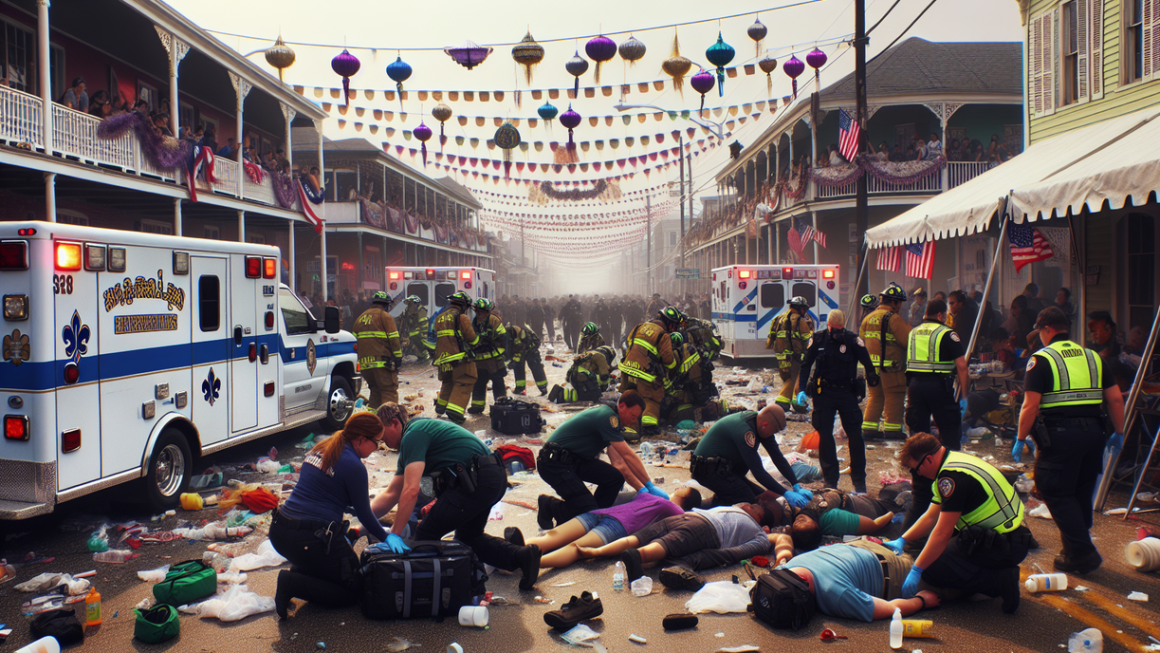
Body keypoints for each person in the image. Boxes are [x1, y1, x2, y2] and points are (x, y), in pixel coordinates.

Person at [371, 404, 542, 590]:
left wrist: (394, 534)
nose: (380, 440)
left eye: (381, 431)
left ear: (395, 423)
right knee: (468, 537)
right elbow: (392, 493)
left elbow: (410, 491)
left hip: (476, 481)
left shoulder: (413, 435)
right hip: (490, 477)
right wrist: (362, 524)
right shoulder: (417, 432)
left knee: (426, 535)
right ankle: (523, 556)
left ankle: (428, 590)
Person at [1014, 307, 1124, 574]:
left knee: (1055, 490)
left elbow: (1030, 407)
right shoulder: (1093, 357)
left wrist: (1020, 438)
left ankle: (1084, 554)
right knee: (1079, 492)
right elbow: (1116, 398)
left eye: (1039, 332)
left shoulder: (1041, 359)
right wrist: (1119, 433)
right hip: (1094, 435)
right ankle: (1072, 552)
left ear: (1047, 330)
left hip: (1061, 437)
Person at [883, 433, 1031, 614]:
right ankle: (989, 574)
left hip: (1003, 545)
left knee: (932, 568)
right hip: (1011, 536)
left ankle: (999, 581)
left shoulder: (951, 478)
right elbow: (930, 516)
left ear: (928, 459)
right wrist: (903, 539)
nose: (917, 474)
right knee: (931, 552)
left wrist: (917, 569)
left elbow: (942, 532)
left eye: (916, 469)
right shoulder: (954, 461)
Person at [271, 413, 390, 619]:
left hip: (280, 531)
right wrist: (389, 538)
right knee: (354, 588)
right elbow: (365, 514)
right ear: (361, 439)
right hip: (309, 539)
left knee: (337, 562)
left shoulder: (321, 448)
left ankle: (302, 570)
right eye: (377, 443)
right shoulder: (354, 466)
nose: (377, 448)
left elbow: (329, 493)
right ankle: (292, 583)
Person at [574, 503, 786, 581]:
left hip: (687, 515)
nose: (747, 505)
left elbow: (737, 551)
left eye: (753, 506)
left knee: (638, 538)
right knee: (663, 546)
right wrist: (697, 560)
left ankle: (598, 551)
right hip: (703, 530)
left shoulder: (732, 510)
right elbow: (735, 553)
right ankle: (638, 556)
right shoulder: (757, 534)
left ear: (759, 518)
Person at [536, 393, 655, 530]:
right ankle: (551, 506)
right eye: (633, 416)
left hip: (574, 461)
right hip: (553, 463)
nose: (633, 421)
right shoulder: (607, 417)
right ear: (622, 406)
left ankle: (596, 518)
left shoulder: (611, 423)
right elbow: (628, 455)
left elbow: (619, 465)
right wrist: (648, 485)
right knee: (586, 510)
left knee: (614, 478)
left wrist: (643, 490)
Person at [514, 486, 701, 569]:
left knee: (576, 549)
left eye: (685, 487)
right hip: (601, 514)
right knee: (550, 538)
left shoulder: (677, 511)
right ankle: (512, 551)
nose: (681, 486)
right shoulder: (657, 496)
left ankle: (528, 562)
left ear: (687, 498)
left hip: (619, 526)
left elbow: (695, 519)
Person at [798, 310, 880, 493]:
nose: (837, 333)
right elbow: (805, 366)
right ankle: (830, 481)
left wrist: (872, 377)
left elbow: (868, 363)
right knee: (825, 436)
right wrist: (801, 389)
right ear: (828, 325)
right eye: (834, 329)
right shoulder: (818, 340)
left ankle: (859, 482)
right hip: (824, 393)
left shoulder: (852, 340)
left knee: (855, 436)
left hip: (847, 392)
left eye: (840, 329)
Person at [777, 538, 940, 623]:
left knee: (948, 589)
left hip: (890, 567)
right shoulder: (785, 569)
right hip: (858, 545)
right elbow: (783, 543)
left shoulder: (836, 593)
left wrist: (922, 601)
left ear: (805, 580)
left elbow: (892, 608)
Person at [691, 404, 811, 506]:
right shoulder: (745, 431)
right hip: (707, 471)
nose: (772, 435)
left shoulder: (759, 424)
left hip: (724, 469)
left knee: (759, 497)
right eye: (773, 432)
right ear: (765, 424)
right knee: (747, 501)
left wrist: (795, 484)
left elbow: (778, 457)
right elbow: (758, 471)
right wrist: (785, 493)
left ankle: (721, 499)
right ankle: (703, 509)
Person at [905, 298, 969, 451]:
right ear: (940, 315)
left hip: (915, 387)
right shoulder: (948, 334)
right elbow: (962, 366)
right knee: (949, 432)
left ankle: (921, 468)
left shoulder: (913, 332)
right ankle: (948, 467)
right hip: (939, 388)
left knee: (918, 436)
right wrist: (964, 396)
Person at [861, 284, 912, 441]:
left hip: (871, 369)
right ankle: (893, 430)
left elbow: (862, 341)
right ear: (895, 302)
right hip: (892, 368)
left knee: (875, 397)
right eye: (900, 303)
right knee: (894, 396)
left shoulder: (868, 318)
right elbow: (907, 341)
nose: (900, 307)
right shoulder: (894, 318)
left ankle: (868, 429)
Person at [620, 307, 682, 435]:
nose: (674, 329)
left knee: (631, 399)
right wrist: (676, 363)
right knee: (651, 401)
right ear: (669, 323)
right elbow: (668, 361)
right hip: (646, 374)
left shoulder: (639, 327)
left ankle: (628, 427)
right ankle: (649, 429)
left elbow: (628, 344)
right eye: (674, 326)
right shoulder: (663, 335)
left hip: (627, 372)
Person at [432, 291, 479, 424]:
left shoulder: (439, 317)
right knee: (466, 379)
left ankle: (441, 406)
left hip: (442, 358)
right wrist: (478, 342)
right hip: (458, 357)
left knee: (448, 381)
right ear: (463, 305)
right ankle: (455, 411)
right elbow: (471, 338)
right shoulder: (461, 317)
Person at [352, 291, 402, 408]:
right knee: (389, 390)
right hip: (382, 364)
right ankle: (389, 420)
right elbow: (394, 340)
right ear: (386, 305)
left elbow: (353, 341)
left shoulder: (360, 318)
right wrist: (398, 358)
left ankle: (372, 420)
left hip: (365, 366)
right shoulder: (385, 317)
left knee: (375, 391)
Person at [766, 297, 814, 413]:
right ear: (800, 308)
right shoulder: (800, 320)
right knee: (795, 379)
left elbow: (769, 341)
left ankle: (787, 402)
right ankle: (792, 403)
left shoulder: (778, 319)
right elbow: (808, 340)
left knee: (788, 379)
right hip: (795, 357)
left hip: (781, 357)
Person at [468, 298, 507, 414]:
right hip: (479, 361)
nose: (479, 314)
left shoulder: (493, 320)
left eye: (482, 312)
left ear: (487, 311)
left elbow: (503, 337)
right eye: (478, 312)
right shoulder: (474, 322)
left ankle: (501, 406)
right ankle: (477, 406)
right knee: (479, 383)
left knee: (498, 383)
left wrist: (490, 342)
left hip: (493, 360)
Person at [549, 345, 615, 404]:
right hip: (582, 376)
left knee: (581, 394)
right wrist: (604, 389)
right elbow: (604, 376)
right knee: (595, 397)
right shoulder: (601, 357)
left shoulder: (590, 354)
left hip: (575, 375)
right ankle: (561, 395)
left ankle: (561, 392)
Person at [505, 322, 549, 396]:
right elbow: (510, 350)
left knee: (536, 367)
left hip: (531, 351)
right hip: (521, 350)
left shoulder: (525, 335)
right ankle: (520, 388)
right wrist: (510, 361)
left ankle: (543, 387)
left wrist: (514, 359)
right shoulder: (508, 335)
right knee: (518, 367)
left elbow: (518, 349)